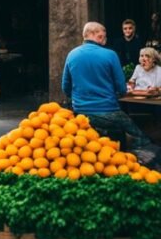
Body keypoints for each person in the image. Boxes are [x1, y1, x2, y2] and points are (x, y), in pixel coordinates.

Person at [64, 22, 153, 154]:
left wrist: (81, 99)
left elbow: (65, 86)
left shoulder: (72, 54)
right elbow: (121, 88)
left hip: (80, 112)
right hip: (109, 111)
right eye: (103, 36)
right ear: (97, 35)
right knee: (143, 139)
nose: (104, 39)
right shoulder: (110, 55)